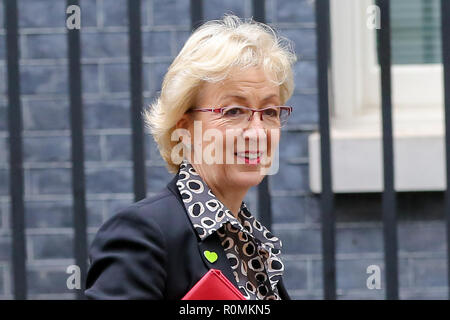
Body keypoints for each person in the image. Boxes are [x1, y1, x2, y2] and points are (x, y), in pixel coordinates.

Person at [84, 14, 296, 300]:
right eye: (233, 111)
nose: (257, 132)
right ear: (184, 128)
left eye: (270, 112)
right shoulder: (142, 235)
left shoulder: (252, 241)